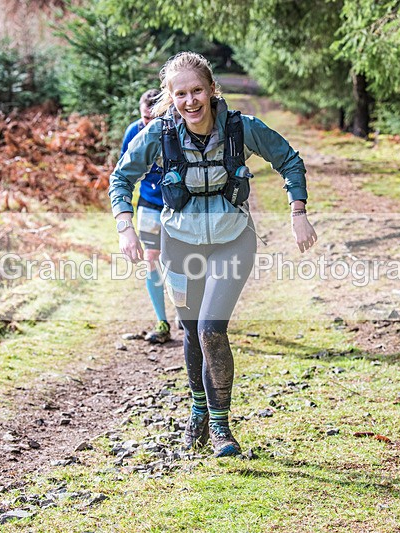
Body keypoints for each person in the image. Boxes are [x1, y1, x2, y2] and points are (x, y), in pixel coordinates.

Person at [109, 52, 317, 457]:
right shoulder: (159, 134)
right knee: (191, 330)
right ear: (171, 97)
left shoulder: (240, 128)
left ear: (211, 90)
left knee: (210, 328)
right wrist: (124, 226)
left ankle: (221, 427)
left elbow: (289, 160)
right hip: (178, 243)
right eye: (181, 94)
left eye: (197, 91)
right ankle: (198, 413)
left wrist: (298, 213)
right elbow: (121, 177)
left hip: (232, 239)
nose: (190, 101)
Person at [121, 89, 171, 344]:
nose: (149, 124)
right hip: (149, 203)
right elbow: (123, 173)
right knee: (151, 258)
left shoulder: (175, 130)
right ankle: (162, 322)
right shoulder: (133, 131)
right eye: (145, 118)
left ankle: (191, 314)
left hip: (179, 206)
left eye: (155, 118)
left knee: (183, 261)